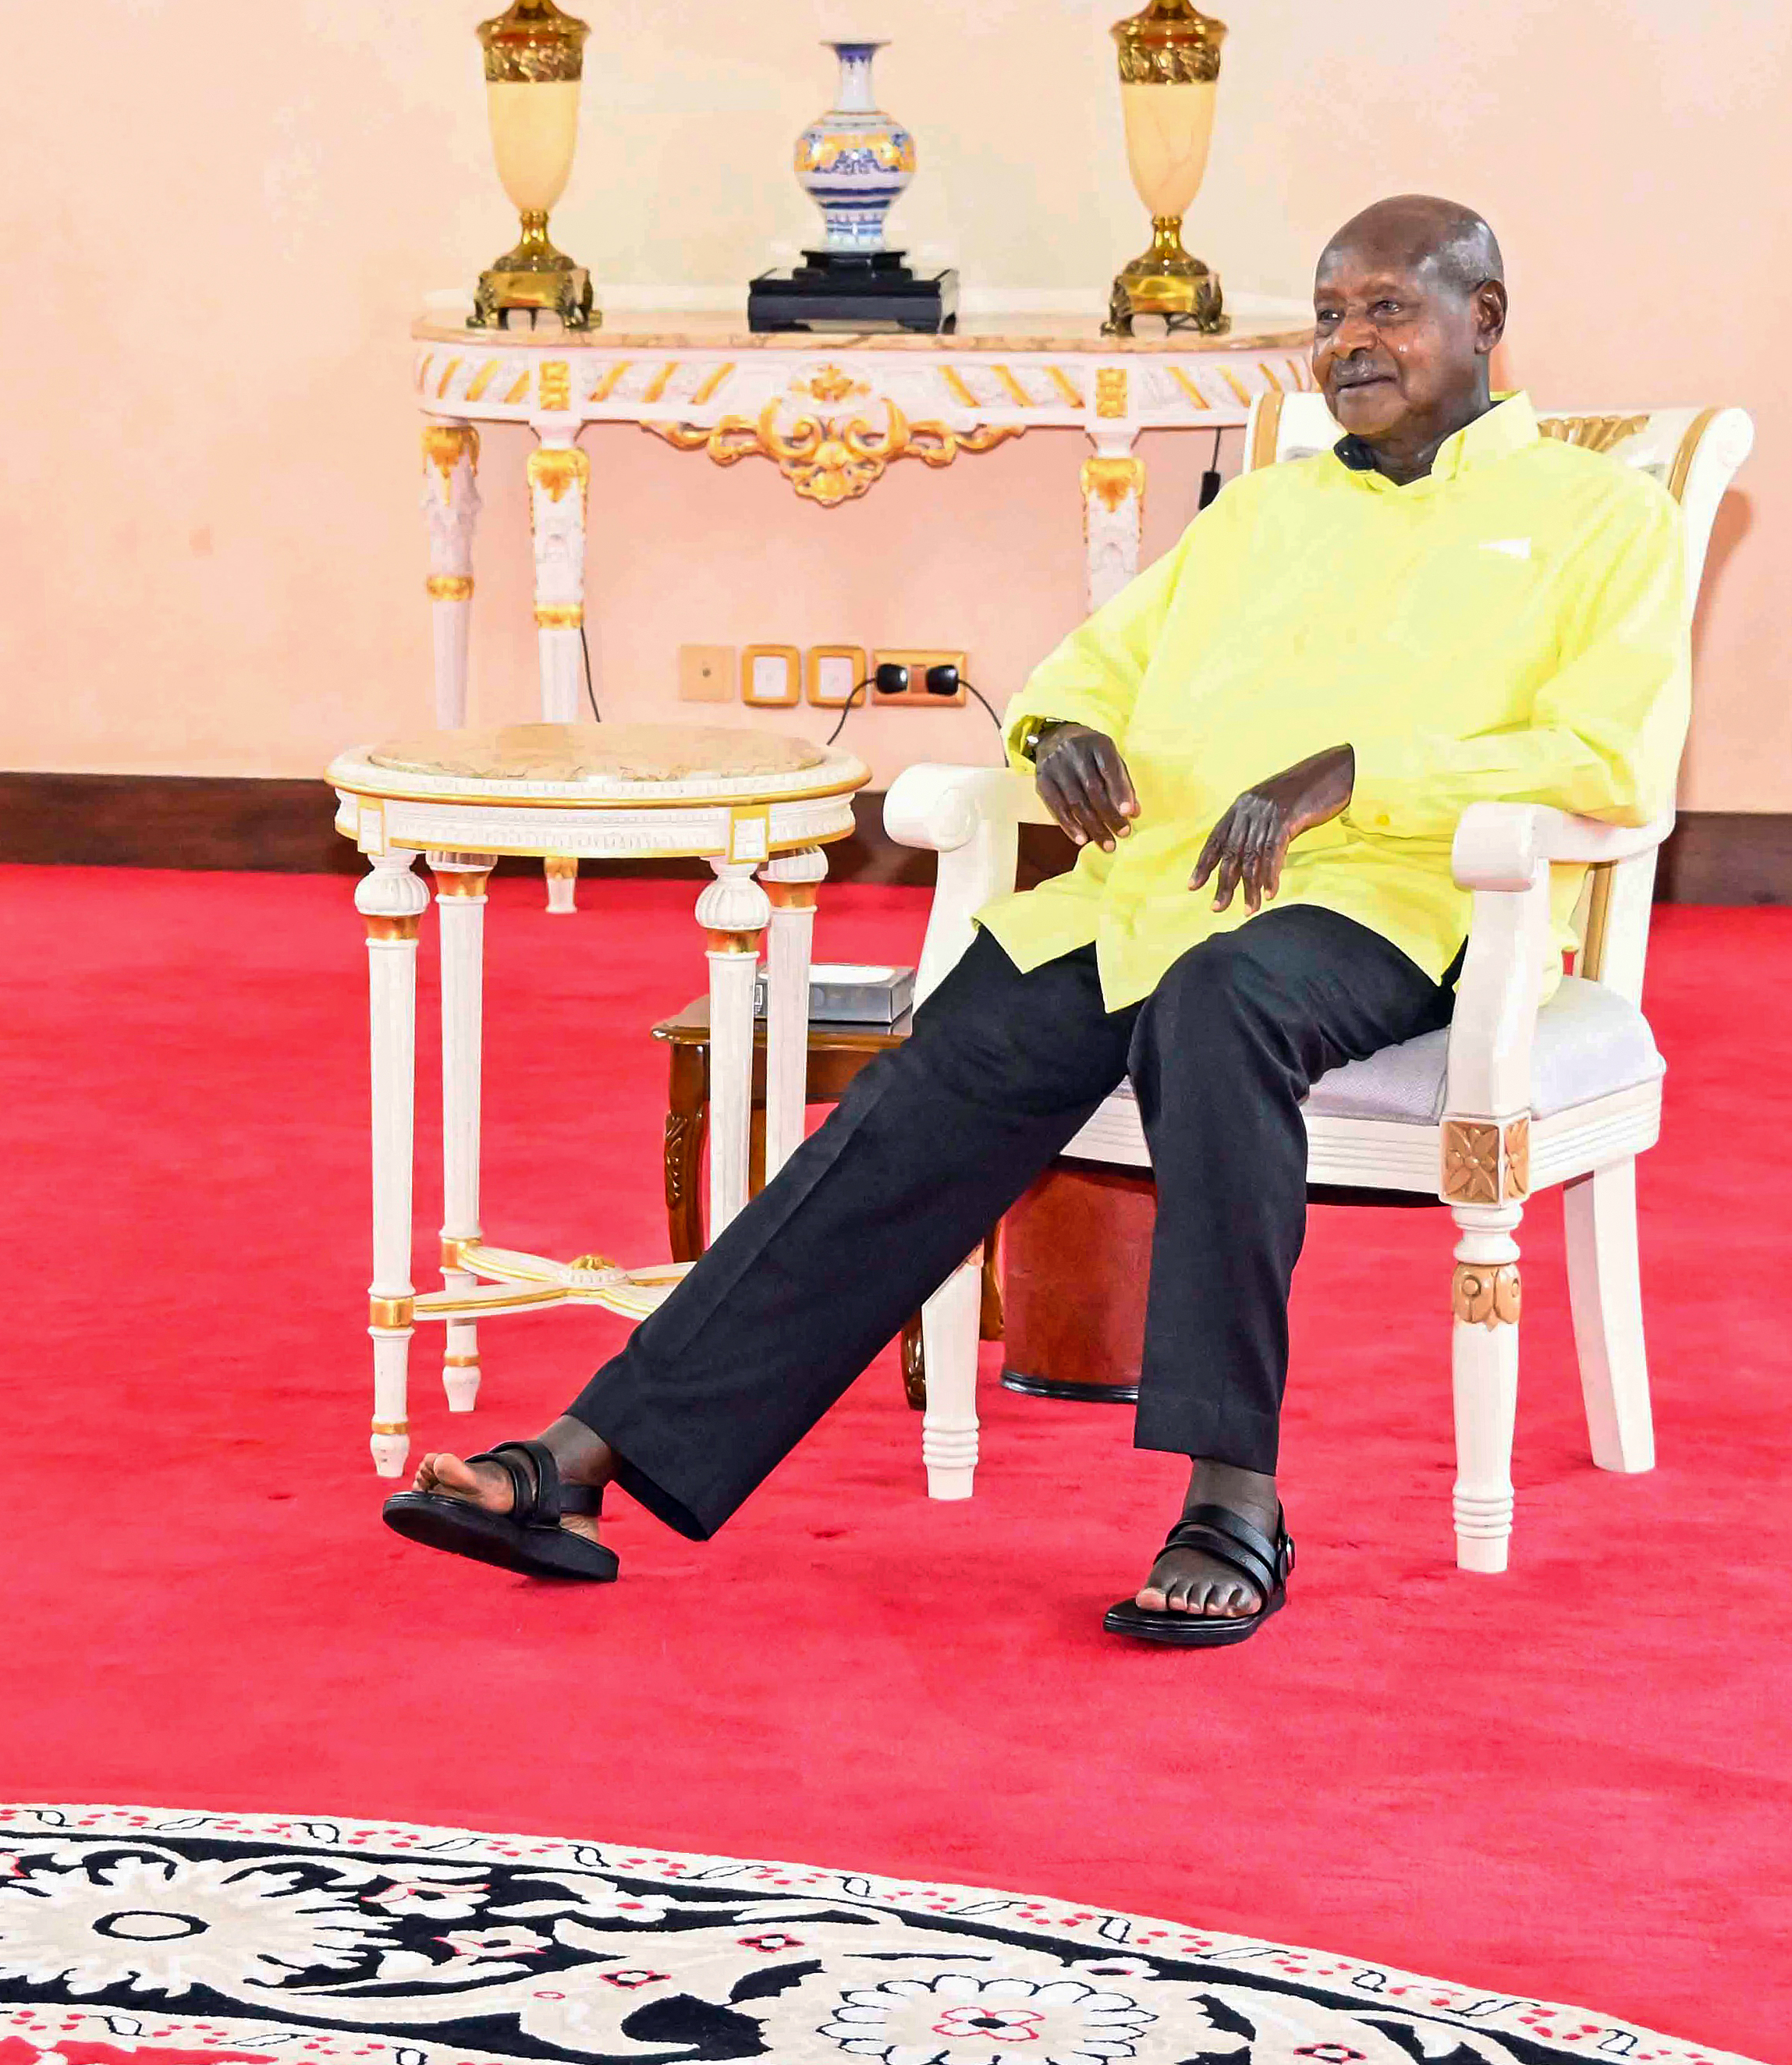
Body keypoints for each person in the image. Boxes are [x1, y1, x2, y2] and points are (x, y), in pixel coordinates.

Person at [387, 197, 1687, 1645]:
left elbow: (1608, 756)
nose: (1349, 343)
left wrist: (1364, 774)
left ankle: (1233, 1498)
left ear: (1485, 319)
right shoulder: (1264, 510)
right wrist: (1062, 734)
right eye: (1328, 315)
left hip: (1396, 904)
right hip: (1153, 894)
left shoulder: (1598, 521)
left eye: (1387, 309)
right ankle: (588, 1458)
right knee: (927, 1085)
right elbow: (1093, 672)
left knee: (1224, 1005)